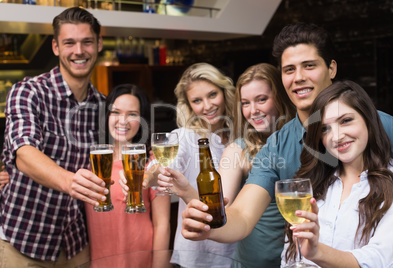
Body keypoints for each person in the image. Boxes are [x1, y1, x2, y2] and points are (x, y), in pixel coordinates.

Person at [180, 23, 393, 262]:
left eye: (309, 66)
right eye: (289, 70)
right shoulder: (276, 145)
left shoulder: (385, 127)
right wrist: (208, 225)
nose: (298, 78)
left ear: (331, 68)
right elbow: (243, 216)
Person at [157, 63, 295, 267]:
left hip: (299, 259)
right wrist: (184, 189)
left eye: (262, 99)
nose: (253, 110)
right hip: (252, 261)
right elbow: (221, 208)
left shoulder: (301, 139)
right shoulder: (236, 149)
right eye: (246, 103)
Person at [0, 7, 108, 266]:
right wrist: (69, 181)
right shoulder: (28, 92)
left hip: (77, 244)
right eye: (69, 43)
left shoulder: (105, 106)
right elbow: (24, 153)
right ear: (56, 47)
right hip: (24, 241)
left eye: (87, 42)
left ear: (99, 44)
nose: (79, 51)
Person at [121, 62, 237, 267]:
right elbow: (160, 166)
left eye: (212, 95)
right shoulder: (184, 137)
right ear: (189, 105)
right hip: (198, 255)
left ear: (224, 92)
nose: (207, 106)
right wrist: (146, 178)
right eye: (197, 100)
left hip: (237, 249)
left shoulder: (239, 137)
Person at [281, 80, 393, 267]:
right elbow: (290, 258)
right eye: (325, 129)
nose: (336, 137)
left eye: (345, 121)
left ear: (368, 120)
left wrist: (316, 252)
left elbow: (380, 260)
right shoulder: (313, 183)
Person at [84, 84, 171, 266]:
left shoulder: (152, 160)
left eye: (132, 114)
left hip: (140, 261)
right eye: (115, 112)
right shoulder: (92, 160)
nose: (122, 121)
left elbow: (162, 225)